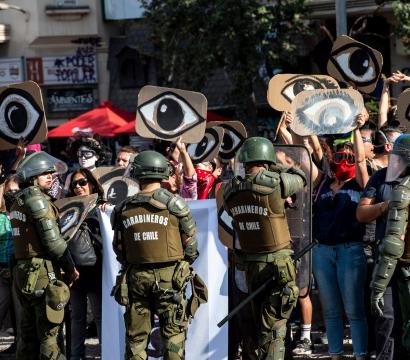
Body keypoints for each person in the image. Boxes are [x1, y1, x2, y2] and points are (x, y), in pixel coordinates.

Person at [111, 150, 206, 359]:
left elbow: (119, 247)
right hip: (169, 278)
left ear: (137, 173)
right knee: (173, 337)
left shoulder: (123, 207)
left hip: (136, 278)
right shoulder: (175, 203)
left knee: (136, 340)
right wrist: (181, 264)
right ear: (163, 172)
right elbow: (190, 244)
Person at [223, 137, 306, 360]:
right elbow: (301, 177)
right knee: (275, 329)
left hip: (249, 267)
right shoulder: (276, 184)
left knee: (255, 327)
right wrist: (276, 165)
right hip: (277, 266)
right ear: (266, 159)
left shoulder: (230, 190)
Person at [10, 151, 79, 359]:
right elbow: (54, 243)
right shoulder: (37, 201)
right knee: (50, 335)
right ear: (32, 177)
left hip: (23, 272)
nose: (50, 176)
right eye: (44, 173)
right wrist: (70, 268)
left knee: (28, 335)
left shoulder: (17, 201)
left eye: (51, 173)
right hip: (41, 273)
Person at [357, 134, 410, 360]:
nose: (394, 161)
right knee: (386, 317)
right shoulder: (380, 178)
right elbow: (361, 213)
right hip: (384, 260)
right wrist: (386, 206)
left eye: (399, 157)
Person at [66, 168, 107, 360]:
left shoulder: (103, 208)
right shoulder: (67, 207)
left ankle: (106, 353)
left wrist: (104, 212)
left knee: (99, 316)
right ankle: (76, 356)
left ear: (91, 183)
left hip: (96, 268)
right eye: (74, 184)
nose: (78, 187)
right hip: (74, 269)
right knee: (77, 318)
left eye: (82, 182)